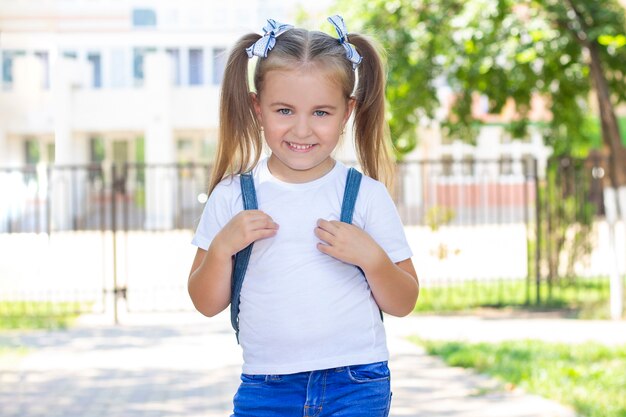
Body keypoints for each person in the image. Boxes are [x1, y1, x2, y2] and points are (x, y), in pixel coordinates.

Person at [188, 15, 419, 417]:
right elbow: (205, 303)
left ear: (347, 112)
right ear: (257, 107)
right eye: (284, 110)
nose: (302, 129)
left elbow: (404, 301)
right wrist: (222, 248)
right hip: (266, 388)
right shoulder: (231, 197)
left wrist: (372, 258)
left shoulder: (364, 196)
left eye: (321, 113)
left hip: (356, 384)